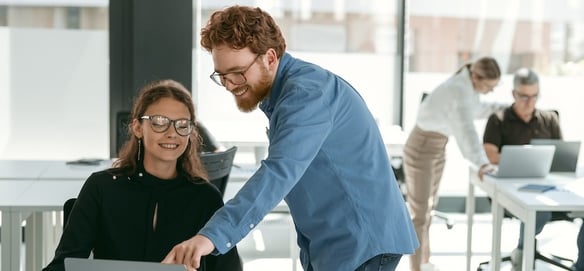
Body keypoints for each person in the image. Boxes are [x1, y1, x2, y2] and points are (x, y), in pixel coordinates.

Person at [161, 5, 418, 271]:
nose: (228, 84)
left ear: (270, 58)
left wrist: (211, 236)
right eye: (222, 75)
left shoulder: (307, 96)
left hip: (361, 243)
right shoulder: (287, 93)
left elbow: (278, 173)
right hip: (339, 243)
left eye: (237, 72)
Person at [42, 79, 242, 271]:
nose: (172, 133)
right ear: (138, 128)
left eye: (182, 124)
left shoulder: (205, 198)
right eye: (159, 122)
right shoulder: (102, 187)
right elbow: (61, 267)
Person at [483, 68, 584, 271]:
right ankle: (522, 250)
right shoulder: (498, 120)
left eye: (534, 96)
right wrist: (526, 155)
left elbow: (562, 156)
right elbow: (492, 156)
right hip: (514, 191)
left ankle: (582, 267)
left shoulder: (549, 119)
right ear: (513, 94)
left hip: (551, 188)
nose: (529, 102)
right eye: (524, 96)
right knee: (538, 211)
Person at [403, 56, 507, 271]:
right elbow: (466, 132)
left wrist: (503, 108)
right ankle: (415, 268)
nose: (490, 91)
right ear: (477, 77)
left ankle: (424, 263)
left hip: (438, 146)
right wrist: (482, 163)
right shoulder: (458, 91)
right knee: (420, 215)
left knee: (428, 211)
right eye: (489, 86)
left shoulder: (468, 85)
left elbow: (476, 109)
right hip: (422, 147)